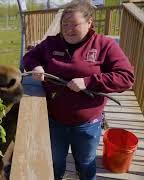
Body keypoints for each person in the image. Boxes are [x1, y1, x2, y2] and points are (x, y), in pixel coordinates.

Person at [22, 1, 134, 180]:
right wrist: (35, 66)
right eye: (64, 24)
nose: (68, 29)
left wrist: (88, 82)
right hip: (55, 121)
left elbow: (126, 77)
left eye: (74, 24)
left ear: (89, 22)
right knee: (56, 162)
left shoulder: (105, 45)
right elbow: (29, 57)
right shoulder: (52, 43)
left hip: (88, 125)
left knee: (86, 162)